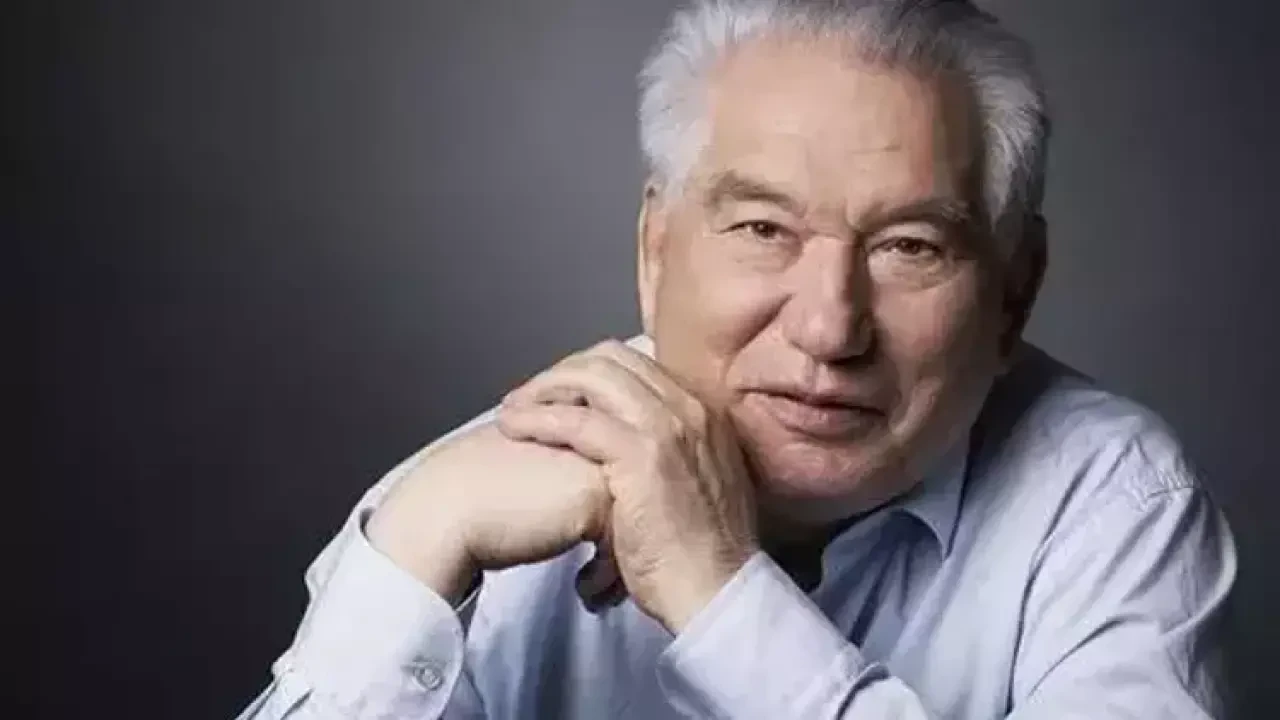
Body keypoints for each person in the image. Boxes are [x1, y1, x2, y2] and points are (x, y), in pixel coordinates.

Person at [238, 1, 1236, 717]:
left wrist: (718, 594)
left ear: (1013, 292)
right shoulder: (484, 492)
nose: (829, 329)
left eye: (908, 247)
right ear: (655, 252)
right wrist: (414, 546)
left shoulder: (1109, 498)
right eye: (762, 229)